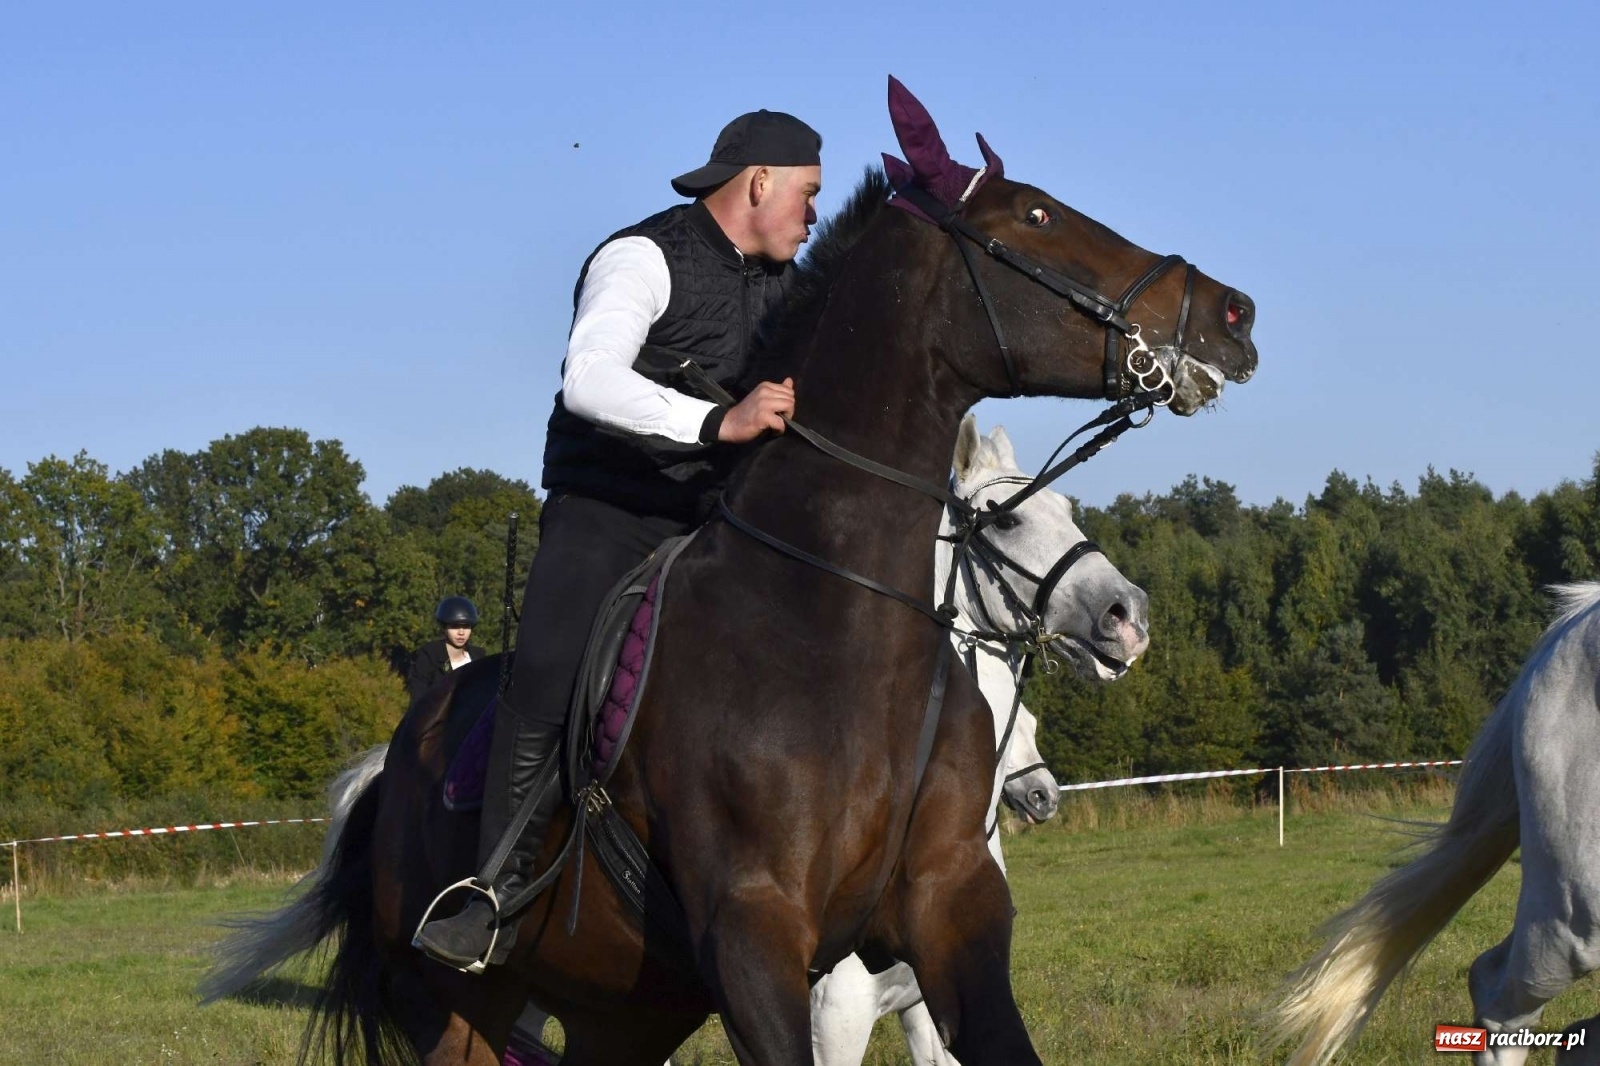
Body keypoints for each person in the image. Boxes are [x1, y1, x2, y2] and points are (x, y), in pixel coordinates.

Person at [416, 108, 822, 969]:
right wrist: (721, 421)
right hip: (606, 514)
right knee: (552, 671)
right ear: (759, 183)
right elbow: (590, 381)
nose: (813, 213)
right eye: (807, 193)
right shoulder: (639, 256)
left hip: (718, 525)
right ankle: (489, 894)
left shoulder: (788, 285)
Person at [407, 597, 488, 705]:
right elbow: (418, 699)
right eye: (455, 627)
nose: (461, 633)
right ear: (444, 628)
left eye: (466, 627)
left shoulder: (479, 656)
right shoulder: (429, 655)